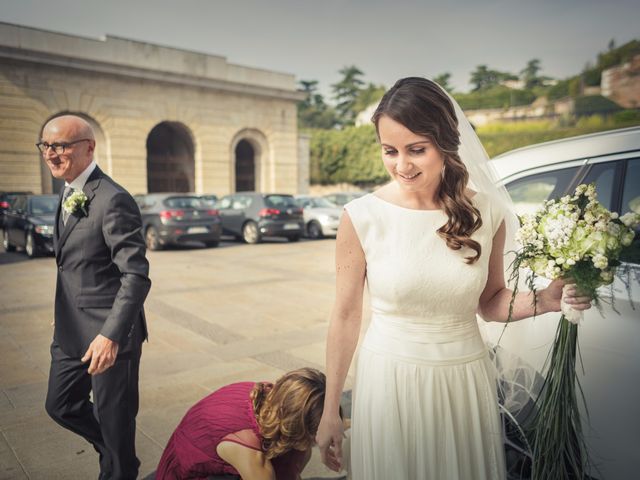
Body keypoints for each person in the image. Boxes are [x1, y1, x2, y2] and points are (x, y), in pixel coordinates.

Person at [315, 77, 593, 479]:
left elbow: (492, 301)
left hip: (463, 379)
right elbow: (344, 316)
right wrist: (330, 413)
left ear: (445, 142)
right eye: (389, 151)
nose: (402, 166)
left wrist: (546, 300)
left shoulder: (488, 212)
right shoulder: (361, 217)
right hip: (391, 381)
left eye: (417, 150)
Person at [42, 115, 151, 480]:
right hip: (71, 333)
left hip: (109, 337)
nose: (52, 153)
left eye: (61, 145)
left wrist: (111, 335)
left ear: (89, 147)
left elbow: (135, 275)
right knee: (59, 405)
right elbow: (73, 266)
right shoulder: (68, 190)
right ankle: (113, 451)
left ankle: (118, 465)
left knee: (115, 423)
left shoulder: (113, 198)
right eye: (46, 146)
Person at [156, 368, 334, 480]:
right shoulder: (249, 450)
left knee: (297, 454)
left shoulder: (276, 399)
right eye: (314, 436)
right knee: (297, 454)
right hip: (189, 474)